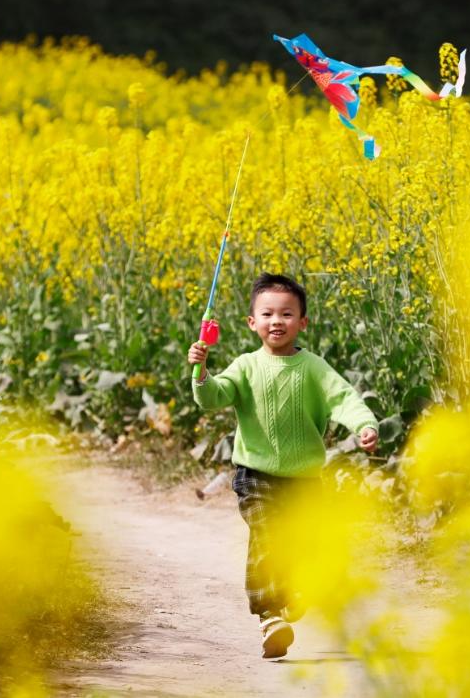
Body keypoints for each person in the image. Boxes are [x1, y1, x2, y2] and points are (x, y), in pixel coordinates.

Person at [188, 272, 378, 659]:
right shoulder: (244, 366)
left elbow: (343, 397)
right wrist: (201, 371)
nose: (278, 321)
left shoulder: (313, 368)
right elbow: (212, 397)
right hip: (254, 475)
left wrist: (364, 424)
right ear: (252, 322)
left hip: (304, 479)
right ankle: (270, 616)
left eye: (288, 314)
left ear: (303, 323)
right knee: (267, 534)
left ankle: (292, 593)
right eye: (268, 313)